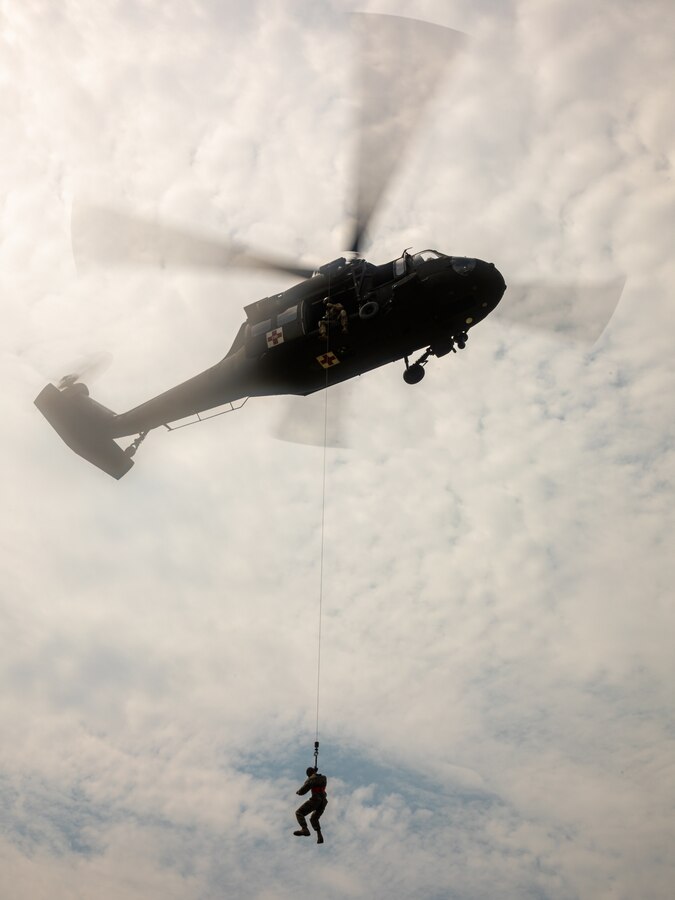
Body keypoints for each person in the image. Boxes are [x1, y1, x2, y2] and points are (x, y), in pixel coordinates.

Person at [294, 766, 328, 844]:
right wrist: (314, 773)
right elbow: (316, 778)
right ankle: (319, 836)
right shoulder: (324, 778)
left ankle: (304, 829)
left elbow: (303, 790)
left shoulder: (311, 779)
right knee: (314, 818)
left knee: (299, 812)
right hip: (323, 802)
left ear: (309, 774)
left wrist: (298, 792)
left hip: (315, 801)